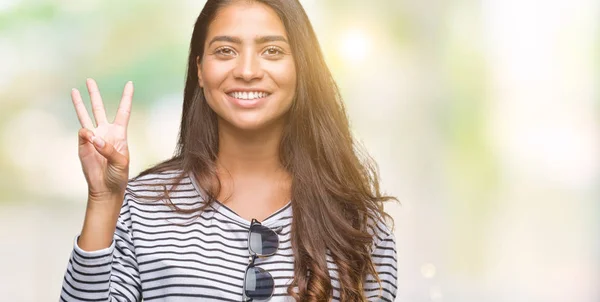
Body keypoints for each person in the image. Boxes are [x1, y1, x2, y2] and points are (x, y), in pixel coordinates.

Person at [60, 0, 398, 301]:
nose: (247, 71)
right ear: (200, 71)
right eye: (225, 51)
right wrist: (103, 202)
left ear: (302, 69)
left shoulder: (357, 224)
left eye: (272, 51)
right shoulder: (142, 206)